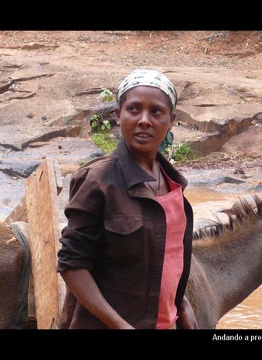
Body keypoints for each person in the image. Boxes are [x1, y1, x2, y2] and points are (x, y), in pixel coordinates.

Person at [57, 69, 199, 329]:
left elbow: (166, 259)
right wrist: (120, 326)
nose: (144, 120)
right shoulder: (98, 179)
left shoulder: (173, 185)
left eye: (156, 111)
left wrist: (181, 304)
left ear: (171, 120)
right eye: (134, 109)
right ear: (118, 115)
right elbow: (72, 265)